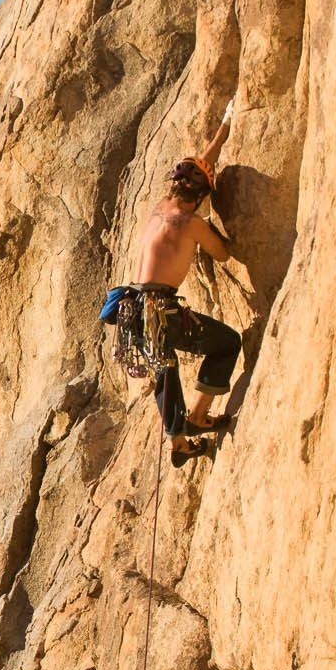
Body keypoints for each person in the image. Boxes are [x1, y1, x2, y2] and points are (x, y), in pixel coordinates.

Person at [124, 104, 242, 464]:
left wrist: (223, 127)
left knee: (165, 369)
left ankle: (178, 438)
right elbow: (222, 254)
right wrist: (216, 231)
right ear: (201, 195)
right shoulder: (190, 224)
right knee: (227, 343)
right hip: (163, 311)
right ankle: (197, 417)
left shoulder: (160, 208)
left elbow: (197, 167)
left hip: (137, 311)